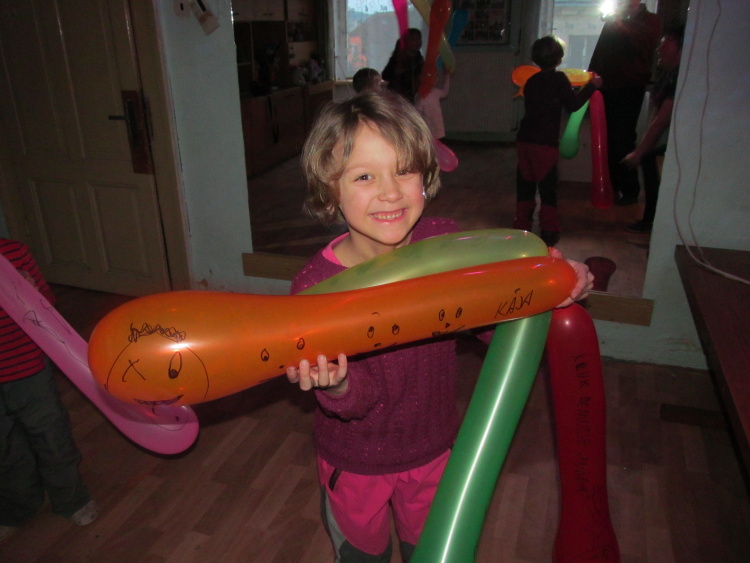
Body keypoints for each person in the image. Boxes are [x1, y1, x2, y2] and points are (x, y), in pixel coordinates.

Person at [285, 90, 594, 562]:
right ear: (330, 192)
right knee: (362, 557)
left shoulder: (446, 246)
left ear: (427, 177)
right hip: (357, 461)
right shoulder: (315, 289)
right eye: (365, 176)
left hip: (434, 449)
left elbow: (490, 325)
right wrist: (338, 384)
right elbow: (358, 401)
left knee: (430, 551)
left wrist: (552, 288)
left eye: (405, 170)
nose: (390, 192)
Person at [0, 239, 99, 543]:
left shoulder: (13, 252)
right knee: (5, 449)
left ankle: (71, 498)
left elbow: (47, 306)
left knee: (50, 434)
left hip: (27, 368)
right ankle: (18, 507)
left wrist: (29, 291)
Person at [514, 36, 603, 247]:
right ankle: (549, 231)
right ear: (559, 59)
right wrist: (591, 86)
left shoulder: (532, 81)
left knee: (525, 184)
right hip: (545, 143)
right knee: (547, 187)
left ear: (535, 58)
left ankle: (521, 228)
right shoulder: (560, 80)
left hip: (525, 141)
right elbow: (573, 105)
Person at [588, 0, 661, 206]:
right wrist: (591, 77)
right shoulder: (617, 20)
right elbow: (601, 51)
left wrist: (620, 22)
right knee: (609, 139)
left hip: (630, 86)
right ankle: (612, 188)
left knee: (623, 138)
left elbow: (641, 46)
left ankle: (628, 190)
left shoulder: (650, 21)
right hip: (609, 85)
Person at [622, 26, 684, 234]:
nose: (659, 49)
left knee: (653, 173)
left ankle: (653, 225)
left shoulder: (679, 77)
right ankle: (651, 223)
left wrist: (639, 153)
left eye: (666, 44)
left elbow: (661, 120)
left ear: (681, 49)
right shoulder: (670, 75)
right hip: (665, 141)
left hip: (675, 144)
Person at [382, 28, 424, 104]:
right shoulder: (398, 58)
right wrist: (395, 72)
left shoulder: (420, 59)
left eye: (419, 39)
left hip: (415, 98)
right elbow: (385, 75)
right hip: (398, 98)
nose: (417, 42)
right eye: (413, 39)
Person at [415, 69, 451, 140]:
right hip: (428, 127)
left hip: (436, 125)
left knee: (437, 141)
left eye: (435, 77)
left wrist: (447, 77)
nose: (435, 80)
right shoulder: (420, 96)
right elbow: (417, 112)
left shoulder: (435, 92)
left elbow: (444, 92)